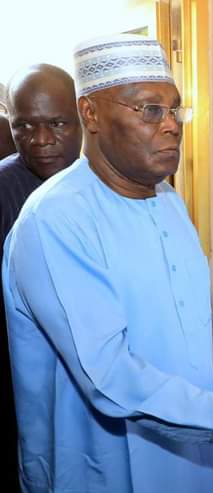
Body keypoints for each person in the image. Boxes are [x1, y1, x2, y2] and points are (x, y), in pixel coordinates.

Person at [2, 34, 213, 493]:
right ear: (90, 114)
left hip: (191, 458)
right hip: (99, 468)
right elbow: (110, 379)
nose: (172, 125)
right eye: (150, 110)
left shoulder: (169, 200)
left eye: (174, 109)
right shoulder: (55, 219)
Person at [0, 64, 82, 491]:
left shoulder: (112, 186)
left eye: (57, 123)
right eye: (24, 126)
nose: (41, 139)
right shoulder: (4, 190)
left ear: (83, 117)